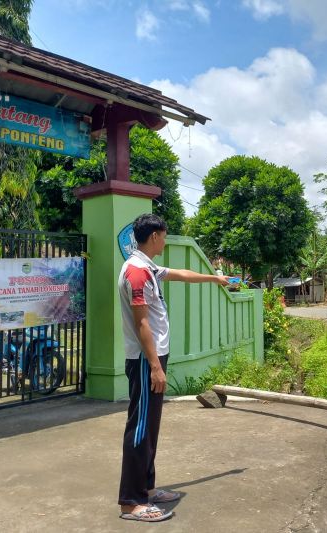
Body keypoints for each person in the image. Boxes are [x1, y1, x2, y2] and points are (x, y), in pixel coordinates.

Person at [117, 213, 229, 522]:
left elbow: (180, 274)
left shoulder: (149, 267)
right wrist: (154, 366)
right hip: (144, 360)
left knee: (150, 426)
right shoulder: (137, 273)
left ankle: (148, 490)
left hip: (153, 357)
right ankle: (131, 501)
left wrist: (214, 279)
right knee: (139, 427)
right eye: (164, 236)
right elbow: (141, 323)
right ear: (154, 237)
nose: (165, 241)